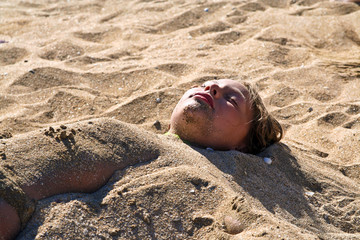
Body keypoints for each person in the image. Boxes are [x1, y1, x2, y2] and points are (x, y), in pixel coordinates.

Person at [0, 79, 282, 240]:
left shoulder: (202, 181)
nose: (212, 89)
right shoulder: (151, 143)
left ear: (244, 146)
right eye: (206, 83)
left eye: (231, 100)